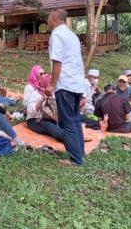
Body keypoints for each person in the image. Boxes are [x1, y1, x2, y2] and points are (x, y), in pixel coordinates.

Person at [45, 9, 86, 166]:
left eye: (48, 18)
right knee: (75, 120)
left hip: (65, 84)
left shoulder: (56, 35)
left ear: (54, 18)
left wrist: (52, 84)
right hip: (77, 83)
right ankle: (80, 153)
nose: (47, 21)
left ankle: (76, 160)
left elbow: (57, 61)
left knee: (67, 122)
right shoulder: (72, 35)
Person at [24, 66, 64, 142]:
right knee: (49, 127)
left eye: (51, 84)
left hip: (50, 118)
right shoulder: (36, 94)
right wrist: (43, 99)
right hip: (35, 120)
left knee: (65, 123)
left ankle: (72, 136)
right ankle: (71, 140)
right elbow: (30, 111)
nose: (51, 86)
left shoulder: (53, 93)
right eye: (49, 83)